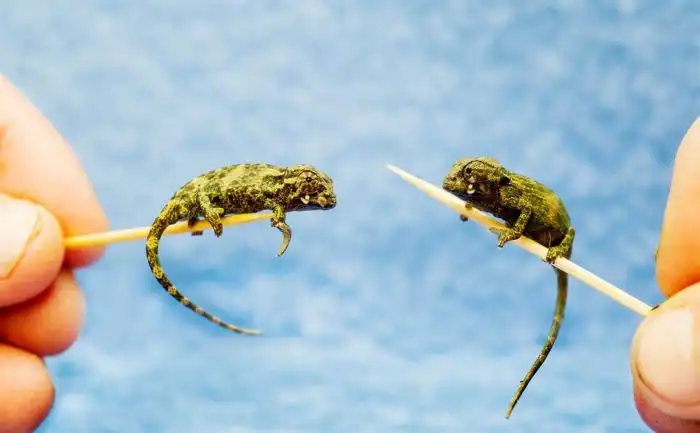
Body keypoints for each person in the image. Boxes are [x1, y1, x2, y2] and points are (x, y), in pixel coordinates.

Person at [0, 74, 698, 432]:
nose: (319, 203)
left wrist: (522, 235)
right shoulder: (273, 189)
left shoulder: (517, 198)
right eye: (315, 197)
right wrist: (214, 218)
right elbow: (235, 192)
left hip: (554, 234)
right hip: (198, 200)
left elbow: (535, 215)